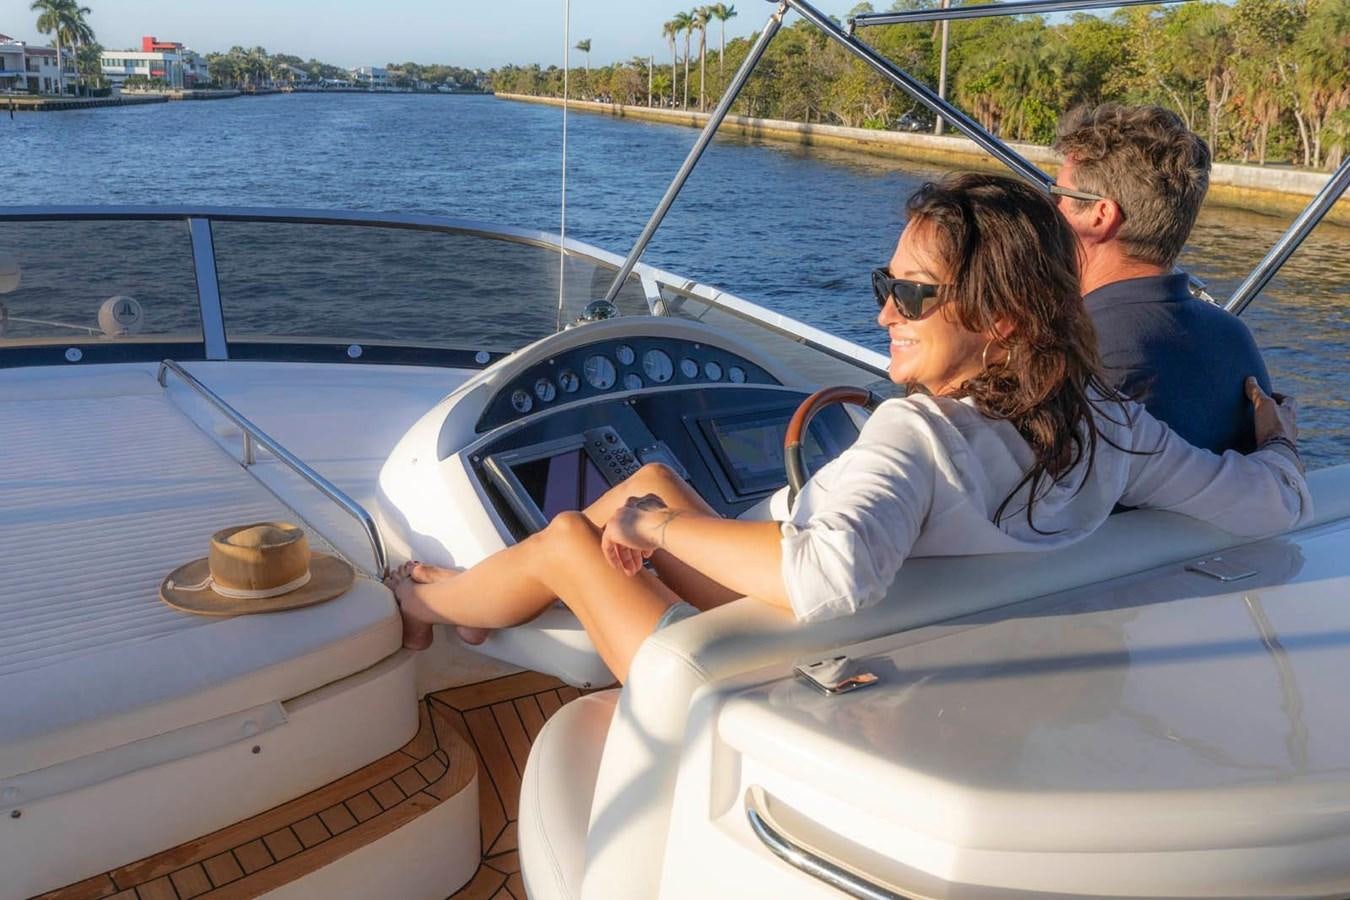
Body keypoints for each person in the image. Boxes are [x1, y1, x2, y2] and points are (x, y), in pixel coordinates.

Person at [387, 174, 1309, 684]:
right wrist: (1277, 440)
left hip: (737, 679)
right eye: (886, 286)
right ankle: (482, 610)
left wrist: (651, 534)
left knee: (569, 534)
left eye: (913, 295)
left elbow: (826, 578)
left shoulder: (918, 439)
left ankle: (429, 605)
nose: (884, 314)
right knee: (647, 482)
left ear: (1003, 321)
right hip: (870, 640)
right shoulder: (1108, 424)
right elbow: (1270, 501)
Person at [1052, 104, 1271, 454]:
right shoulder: (1234, 338)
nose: (1050, 210)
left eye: (1058, 196)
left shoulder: (1068, 348)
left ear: (1100, 215)